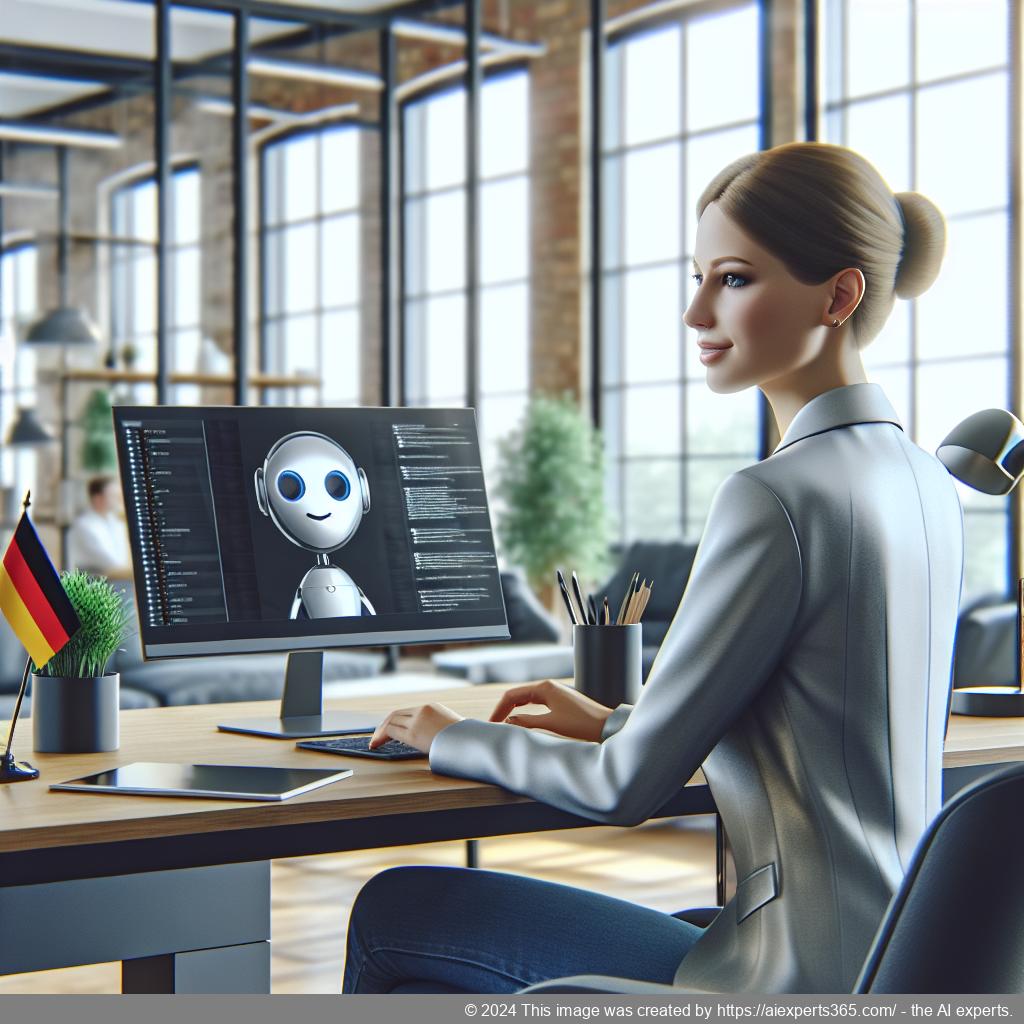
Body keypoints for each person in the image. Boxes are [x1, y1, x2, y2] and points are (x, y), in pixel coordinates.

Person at [342, 143, 963, 994]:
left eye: (734, 279)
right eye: (699, 275)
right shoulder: (925, 480)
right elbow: (815, 726)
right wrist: (610, 720)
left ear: (839, 293)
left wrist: (449, 735)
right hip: (902, 954)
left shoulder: (775, 497)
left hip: (791, 978)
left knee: (397, 909)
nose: (696, 311)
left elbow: (621, 792)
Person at [67, 476, 131, 577]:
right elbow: (111, 563)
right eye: (113, 496)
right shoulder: (84, 525)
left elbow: (122, 560)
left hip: (116, 579)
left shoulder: (116, 522)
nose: (118, 500)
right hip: (93, 582)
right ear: (97, 498)